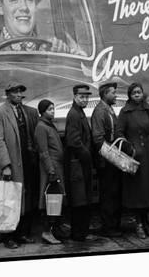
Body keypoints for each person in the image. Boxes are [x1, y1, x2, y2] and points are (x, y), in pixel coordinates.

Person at [0, 82, 39, 249]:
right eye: (16, 92)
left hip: (25, 161)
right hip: (12, 162)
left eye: (20, 91)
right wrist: (5, 165)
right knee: (8, 199)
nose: (19, 94)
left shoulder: (23, 111)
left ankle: (22, 234)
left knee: (23, 197)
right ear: (8, 94)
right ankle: (8, 237)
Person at [116, 82, 149, 239]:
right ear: (129, 95)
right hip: (134, 158)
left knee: (148, 192)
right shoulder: (125, 112)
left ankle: (147, 222)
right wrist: (130, 148)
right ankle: (139, 224)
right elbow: (119, 133)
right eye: (133, 92)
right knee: (137, 193)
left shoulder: (148, 110)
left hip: (147, 156)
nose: (137, 94)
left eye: (139, 92)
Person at [91, 81, 122, 237]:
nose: (115, 95)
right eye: (113, 92)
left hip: (113, 160)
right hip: (107, 161)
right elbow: (98, 139)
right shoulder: (99, 112)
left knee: (114, 193)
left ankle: (114, 225)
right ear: (105, 94)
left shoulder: (109, 110)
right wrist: (114, 156)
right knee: (108, 195)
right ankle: (108, 228)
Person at [64, 84, 94, 241]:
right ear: (74, 97)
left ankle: (81, 233)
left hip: (80, 163)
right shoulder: (75, 114)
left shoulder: (78, 112)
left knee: (81, 200)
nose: (85, 100)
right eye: (82, 97)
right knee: (79, 201)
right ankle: (79, 234)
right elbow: (73, 141)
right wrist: (87, 155)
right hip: (78, 164)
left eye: (87, 97)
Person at [35, 99, 65, 245]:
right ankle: (47, 232)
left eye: (53, 108)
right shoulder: (41, 127)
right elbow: (43, 152)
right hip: (50, 169)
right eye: (49, 109)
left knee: (56, 200)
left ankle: (55, 229)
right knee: (50, 201)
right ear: (42, 112)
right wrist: (51, 171)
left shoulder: (49, 125)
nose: (53, 111)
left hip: (57, 168)